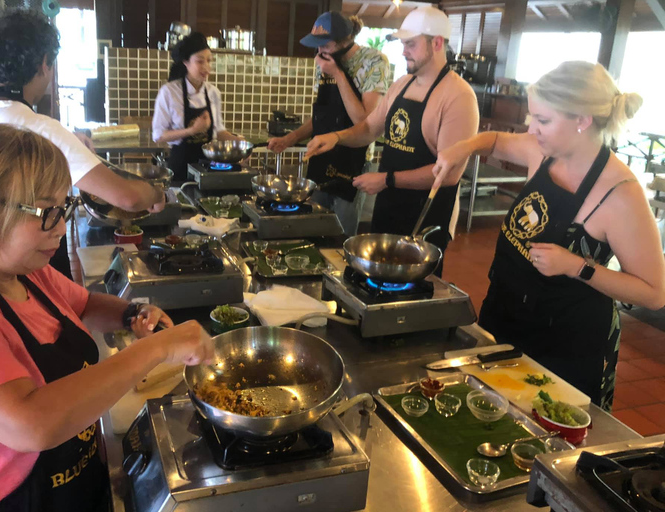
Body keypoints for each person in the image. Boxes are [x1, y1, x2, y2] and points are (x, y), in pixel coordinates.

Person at [0, 124, 213, 512]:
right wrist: (159, 348)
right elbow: (30, 423)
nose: (61, 228)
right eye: (45, 213)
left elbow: (82, 306)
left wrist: (131, 314)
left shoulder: (25, 270)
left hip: (72, 483)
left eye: (63, 209)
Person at [432, 61, 665, 410]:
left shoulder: (620, 194)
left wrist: (577, 267)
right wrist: (461, 148)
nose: (531, 127)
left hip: (567, 346)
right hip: (505, 316)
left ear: (582, 120)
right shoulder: (542, 152)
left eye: (542, 120)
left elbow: (654, 293)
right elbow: (494, 141)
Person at [0, 10, 166, 279]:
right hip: (33, 271)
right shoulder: (44, 130)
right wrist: (156, 194)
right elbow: (127, 198)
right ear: (43, 64)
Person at [306, 6, 479, 274]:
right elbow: (367, 129)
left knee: (412, 296)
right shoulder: (402, 84)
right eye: (403, 44)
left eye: (410, 44)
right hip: (388, 209)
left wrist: (386, 179)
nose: (403, 51)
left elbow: (449, 175)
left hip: (425, 220)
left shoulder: (459, 97)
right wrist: (335, 137)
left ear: (436, 43)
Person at [267, 12, 390, 235]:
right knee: (313, 227)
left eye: (324, 45)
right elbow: (322, 117)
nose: (319, 51)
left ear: (344, 41)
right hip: (322, 157)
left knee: (341, 235)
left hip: (353, 163)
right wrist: (290, 138)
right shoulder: (324, 61)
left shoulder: (373, 61)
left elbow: (364, 122)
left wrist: (337, 73)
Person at [152, 33, 244, 182]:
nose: (207, 67)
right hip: (180, 167)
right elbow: (158, 135)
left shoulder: (213, 93)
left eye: (209, 61)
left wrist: (238, 142)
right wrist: (192, 130)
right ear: (186, 62)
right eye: (200, 62)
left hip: (208, 167)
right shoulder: (169, 92)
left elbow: (218, 132)